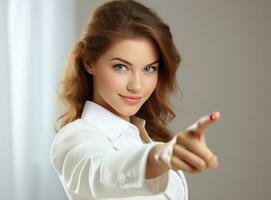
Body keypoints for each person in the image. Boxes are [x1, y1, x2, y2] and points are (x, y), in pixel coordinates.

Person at [50, 0, 221, 199]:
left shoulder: (146, 137)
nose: (136, 86)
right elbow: (101, 173)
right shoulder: (75, 137)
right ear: (89, 62)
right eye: (121, 67)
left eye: (149, 69)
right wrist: (159, 156)